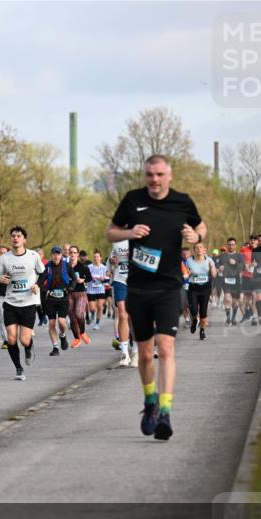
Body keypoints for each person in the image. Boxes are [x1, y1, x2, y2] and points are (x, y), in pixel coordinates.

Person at [107, 154, 205, 441]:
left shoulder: (182, 202)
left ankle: (165, 411)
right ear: (145, 175)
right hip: (138, 287)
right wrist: (129, 231)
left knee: (166, 348)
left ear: (169, 175)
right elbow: (110, 232)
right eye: (150, 174)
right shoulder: (132, 199)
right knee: (146, 353)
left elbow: (201, 227)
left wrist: (195, 237)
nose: (154, 180)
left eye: (160, 174)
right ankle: (150, 401)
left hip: (168, 287)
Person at [0, 226, 44, 381]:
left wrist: (37, 284)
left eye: (18, 236)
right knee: (11, 339)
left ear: (24, 240)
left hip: (28, 303)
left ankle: (29, 346)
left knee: (24, 340)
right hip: (10, 303)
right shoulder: (5, 258)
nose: (15, 238)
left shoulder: (33, 256)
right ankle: (18, 369)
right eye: (13, 236)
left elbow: (42, 272)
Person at [109, 238, 136, 366]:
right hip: (120, 280)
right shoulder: (117, 242)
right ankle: (125, 353)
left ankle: (135, 351)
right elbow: (111, 261)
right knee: (122, 315)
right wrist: (113, 261)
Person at [41, 246, 72, 356]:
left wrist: (70, 289)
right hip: (51, 299)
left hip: (63, 298)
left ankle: (63, 336)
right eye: (54, 254)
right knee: (52, 323)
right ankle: (55, 347)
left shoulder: (66, 266)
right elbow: (40, 281)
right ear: (51, 255)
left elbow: (73, 279)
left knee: (62, 322)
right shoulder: (47, 267)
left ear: (61, 255)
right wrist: (45, 291)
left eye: (58, 254)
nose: (56, 256)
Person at [185, 243, 216, 340]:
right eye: (196, 248)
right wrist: (188, 273)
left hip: (205, 288)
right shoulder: (189, 261)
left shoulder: (209, 260)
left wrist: (212, 268)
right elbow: (186, 274)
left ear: (204, 250)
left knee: (203, 312)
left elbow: (214, 275)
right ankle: (195, 319)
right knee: (193, 309)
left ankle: (202, 331)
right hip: (193, 288)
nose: (199, 249)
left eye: (200, 247)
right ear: (194, 250)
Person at [67, 246, 91, 347]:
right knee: (72, 317)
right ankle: (77, 338)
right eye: (71, 252)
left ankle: (82, 332)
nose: (72, 254)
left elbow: (89, 277)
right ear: (69, 254)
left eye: (74, 252)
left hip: (80, 292)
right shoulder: (65, 266)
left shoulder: (83, 266)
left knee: (79, 315)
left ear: (77, 254)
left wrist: (83, 280)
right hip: (69, 293)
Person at [220, 237, 244, 326]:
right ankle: (228, 318)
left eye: (233, 245)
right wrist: (220, 268)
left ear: (235, 245)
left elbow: (243, 267)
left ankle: (233, 317)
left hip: (237, 281)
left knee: (235, 302)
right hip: (226, 281)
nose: (231, 246)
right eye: (229, 244)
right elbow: (217, 265)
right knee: (227, 299)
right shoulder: (223, 256)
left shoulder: (239, 256)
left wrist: (235, 263)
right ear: (227, 245)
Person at [87, 250, 109, 331]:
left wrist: (104, 278)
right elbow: (86, 277)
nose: (96, 258)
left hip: (100, 289)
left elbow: (108, 278)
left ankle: (97, 323)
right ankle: (92, 313)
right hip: (91, 290)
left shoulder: (104, 267)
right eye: (94, 257)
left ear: (100, 258)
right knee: (92, 308)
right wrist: (91, 278)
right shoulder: (89, 267)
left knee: (100, 307)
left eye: (97, 257)